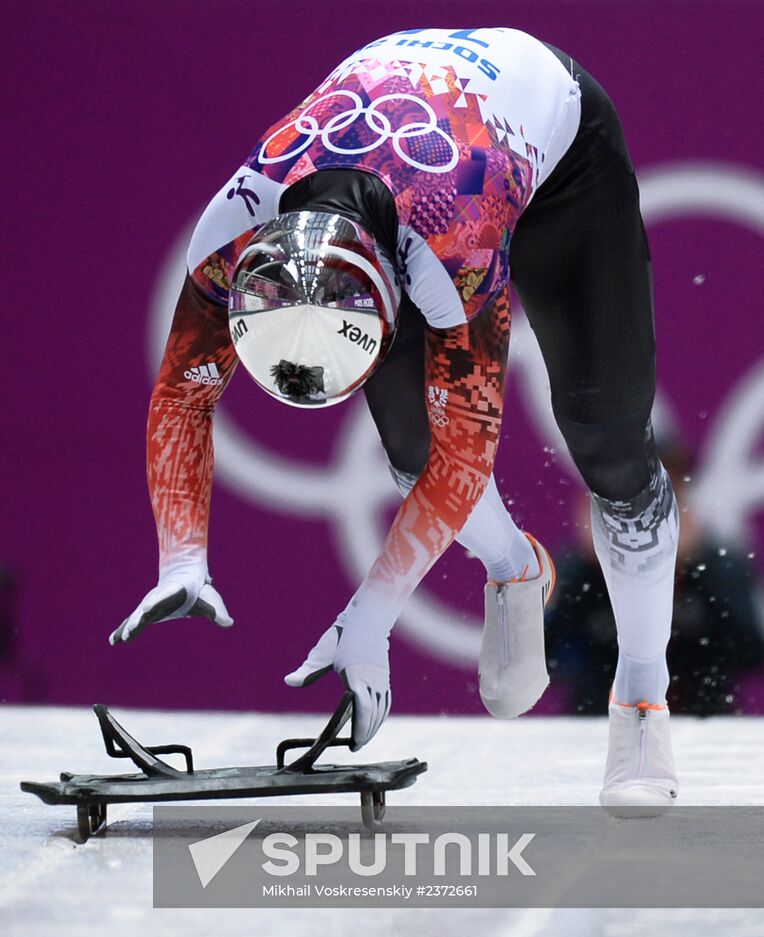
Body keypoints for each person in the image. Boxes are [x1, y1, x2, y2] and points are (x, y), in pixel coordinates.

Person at [109, 27, 679, 807]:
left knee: (606, 438)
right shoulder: (230, 234)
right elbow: (184, 391)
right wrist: (181, 561)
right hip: (398, 172)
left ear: (395, 295)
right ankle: (518, 569)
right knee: (409, 443)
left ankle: (643, 697)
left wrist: (371, 616)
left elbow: (468, 457)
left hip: (548, 153)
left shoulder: (456, 246)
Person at [546, 441, 764, 715]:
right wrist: (592, 567)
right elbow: (546, 659)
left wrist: (697, 572)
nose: (651, 515)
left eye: (665, 498)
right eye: (641, 501)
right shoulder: (582, 564)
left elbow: (750, 652)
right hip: (598, 724)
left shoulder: (716, 564)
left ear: (683, 499)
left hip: (702, 721)